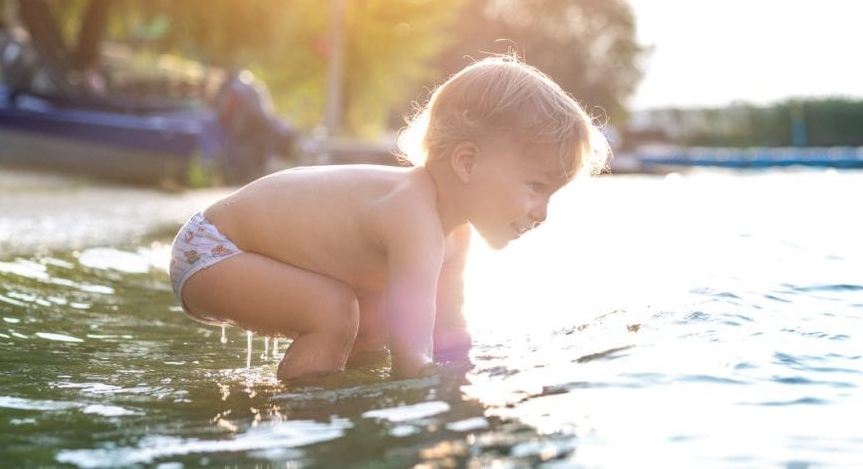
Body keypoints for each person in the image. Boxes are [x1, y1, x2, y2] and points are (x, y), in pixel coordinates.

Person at [168, 55, 611, 381]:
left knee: (377, 319)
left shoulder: (455, 237)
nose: (544, 213)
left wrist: (477, 373)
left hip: (243, 251)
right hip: (214, 248)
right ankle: (304, 424)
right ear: (468, 163)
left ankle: (351, 407)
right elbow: (413, 356)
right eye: (536, 187)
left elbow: (448, 329)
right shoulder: (411, 212)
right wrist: (447, 403)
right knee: (336, 313)